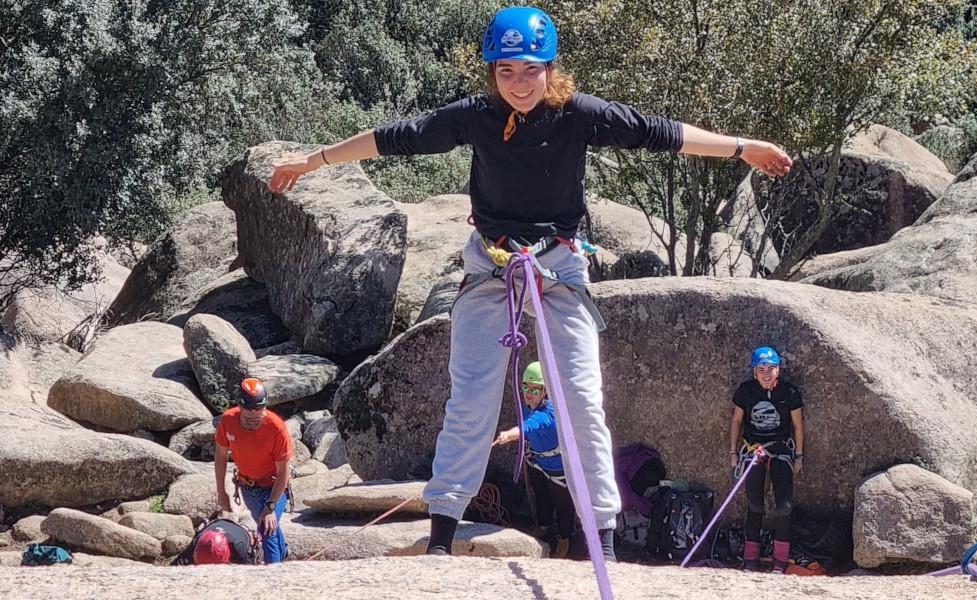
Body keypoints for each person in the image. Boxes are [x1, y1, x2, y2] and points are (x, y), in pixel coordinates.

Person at [269, 5, 792, 560]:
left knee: (583, 402)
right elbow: (397, 137)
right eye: (506, 71)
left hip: (561, 266)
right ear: (492, 71)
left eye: (530, 69)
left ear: (550, 67)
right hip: (491, 265)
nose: (519, 83)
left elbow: (658, 132)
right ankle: (443, 532)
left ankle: (604, 541)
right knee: (471, 399)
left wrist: (742, 147)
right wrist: (314, 161)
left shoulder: (579, 114)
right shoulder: (475, 116)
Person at [728, 346, 804, 573]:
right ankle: (750, 559)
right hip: (753, 451)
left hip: (780, 450)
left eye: (771, 368)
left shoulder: (789, 393)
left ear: (779, 369)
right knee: (755, 505)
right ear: (754, 372)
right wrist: (733, 452)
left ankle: (780, 561)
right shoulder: (746, 391)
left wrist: (799, 456)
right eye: (761, 369)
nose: (767, 373)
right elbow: (736, 421)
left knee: (784, 506)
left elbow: (798, 425)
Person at [492, 361, 576, 558]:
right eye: (525, 387)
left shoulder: (549, 414)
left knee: (563, 505)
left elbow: (528, 427)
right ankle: (544, 526)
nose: (528, 393)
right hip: (537, 462)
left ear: (545, 390)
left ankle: (564, 538)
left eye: (534, 389)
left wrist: (508, 435)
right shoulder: (530, 406)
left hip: (558, 469)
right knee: (541, 497)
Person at [214, 377, 293, 564]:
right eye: (247, 417)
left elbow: (284, 471)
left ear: (264, 408)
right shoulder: (228, 421)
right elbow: (220, 456)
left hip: (274, 486)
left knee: (267, 528)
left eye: (257, 416)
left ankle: (274, 575)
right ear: (240, 407)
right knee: (268, 527)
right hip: (248, 487)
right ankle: (283, 555)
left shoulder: (276, 428)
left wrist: (271, 507)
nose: (251, 422)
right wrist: (221, 492)